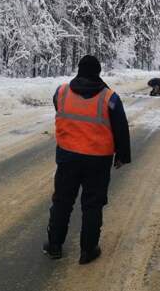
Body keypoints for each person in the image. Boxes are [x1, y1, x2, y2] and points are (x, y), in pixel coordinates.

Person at [43, 55, 130, 263]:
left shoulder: (61, 92)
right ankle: (88, 250)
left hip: (67, 157)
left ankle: (54, 246)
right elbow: (121, 128)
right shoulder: (110, 98)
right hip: (98, 160)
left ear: (79, 70)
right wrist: (122, 156)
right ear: (99, 72)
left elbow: (60, 110)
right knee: (92, 204)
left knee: (62, 201)